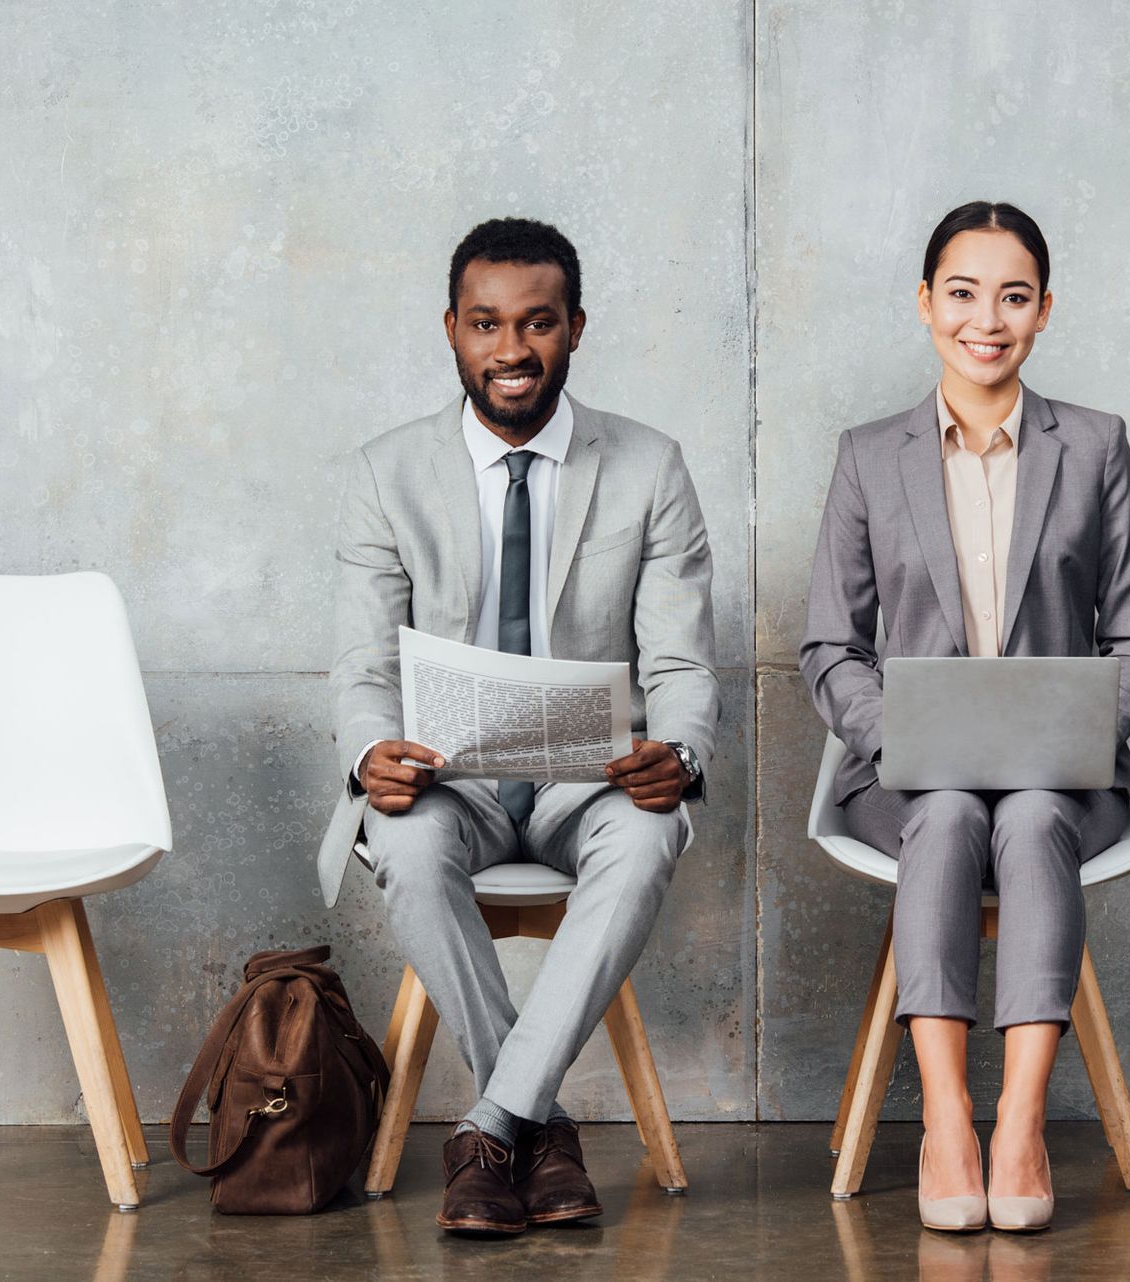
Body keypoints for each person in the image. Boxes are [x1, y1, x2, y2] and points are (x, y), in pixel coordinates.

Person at [321, 217, 719, 1236]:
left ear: (575, 328)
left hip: (592, 780)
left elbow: (678, 663)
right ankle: (537, 1136)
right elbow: (363, 663)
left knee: (644, 842)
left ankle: (488, 1128)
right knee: (401, 848)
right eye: (488, 324)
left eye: (537, 323)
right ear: (451, 328)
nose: (511, 350)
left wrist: (677, 751)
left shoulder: (649, 466)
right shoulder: (385, 472)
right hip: (447, 779)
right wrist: (372, 750)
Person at [801, 201, 1130, 1233]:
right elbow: (830, 645)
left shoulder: (1094, 447)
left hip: (1065, 772)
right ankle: (948, 1124)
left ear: (1045, 310)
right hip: (908, 777)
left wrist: (1086, 732)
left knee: (1035, 812)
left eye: (1014, 295)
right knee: (956, 810)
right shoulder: (871, 455)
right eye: (963, 292)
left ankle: (1020, 1124)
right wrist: (902, 734)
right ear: (927, 305)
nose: (987, 318)